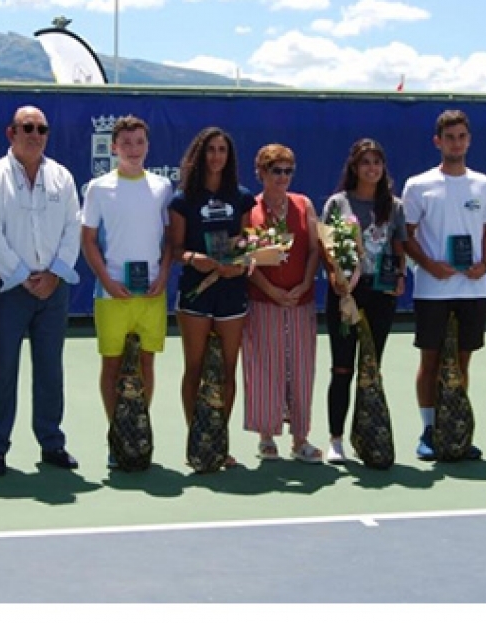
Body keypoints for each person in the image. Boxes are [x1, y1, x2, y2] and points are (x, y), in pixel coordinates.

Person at [0, 106, 82, 477]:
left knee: (50, 370)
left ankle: (51, 443)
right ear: (11, 133)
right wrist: (22, 276)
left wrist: (54, 274)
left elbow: (73, 228)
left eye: (42, 128)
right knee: (2, 369)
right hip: (9, 290)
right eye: (28, 128)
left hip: (54, 289)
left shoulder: (62, 178)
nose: (36, 134)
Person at [401, 109, 486, 462]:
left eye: (462, 137)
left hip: (473, 289)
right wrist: (429, 265)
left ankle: (455, 426)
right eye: (449, 137)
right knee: (432, 361)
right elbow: (406, 237)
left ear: (468, 140)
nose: (456, 143)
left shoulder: (484, 184)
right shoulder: (418, 184)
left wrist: (484, 264)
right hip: (432, 289)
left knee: (462, 362)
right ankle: (428, 429)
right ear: (438, 141)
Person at [81, 115, 173, 467]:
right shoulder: (98, 188)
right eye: (127, 143)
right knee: (113, 366)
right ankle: (116, 435)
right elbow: (87, 240)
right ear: (114, 147)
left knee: (147, 363)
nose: (134, 149)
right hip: (112, 294)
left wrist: (163, 274)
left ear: (147, 146)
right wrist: (106, 279)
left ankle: (137, 430)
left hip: (151, 293)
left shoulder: (162, 187)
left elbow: (170, 241)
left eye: (140, 142)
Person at [169, 127, 255, 468]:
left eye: (222, 150)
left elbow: (248, 240)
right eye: (210, 150)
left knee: (227, 371)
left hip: (232, 291)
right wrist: (194, 259)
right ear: (199, 154)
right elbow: (175, 248)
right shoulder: (182, 199)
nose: (216, 156)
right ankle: (198, 440)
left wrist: (240, 257)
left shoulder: (243, 196)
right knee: (196, 368)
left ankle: (218, 440)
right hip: (196, 292)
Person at [320, 138, 406, 463]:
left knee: (370, 368)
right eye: (365, 162)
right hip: (345, 294)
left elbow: (399, 248)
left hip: (380, 294)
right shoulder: (337, 204)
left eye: (377, 162)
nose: (372, 168)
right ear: (354, 168)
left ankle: (367, 435)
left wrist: (399, 277)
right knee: (342, 367)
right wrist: (336, 276)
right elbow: (328, 249)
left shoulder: (393, 206)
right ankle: (336, 439)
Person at [243, 143, 322, 463]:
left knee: (301, 370)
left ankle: (300, 438)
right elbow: (247, 257)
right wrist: (271, 290)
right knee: (265, 369)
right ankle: (266, 436)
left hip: (301, 302)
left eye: (289, 170)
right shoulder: (250, 208)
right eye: (276, 170)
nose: (283, 176)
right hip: (263, 302)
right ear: (261, 173)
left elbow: (315, 249)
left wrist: (304, 283)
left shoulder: (304, 204)